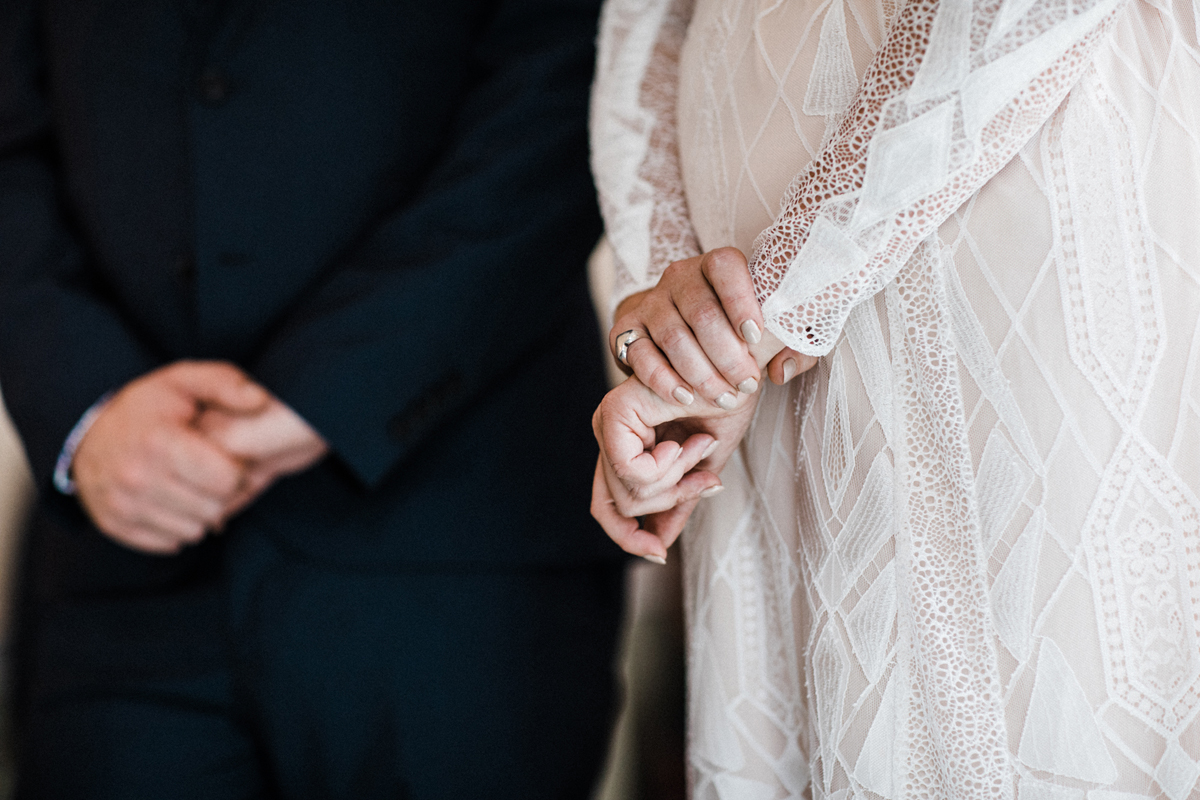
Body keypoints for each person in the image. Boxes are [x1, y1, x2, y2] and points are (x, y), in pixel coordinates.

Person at [0, 1, 625, 797]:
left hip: (458, 546)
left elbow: (565, 87)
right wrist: (85, 409)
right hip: (123, 541)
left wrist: (334, 387)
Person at [589, 0, 1200, 795]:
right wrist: (683, 330)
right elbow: (644, 19)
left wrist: (768, 304)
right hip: (743, 280)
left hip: (995, 199)